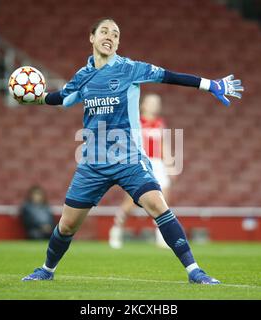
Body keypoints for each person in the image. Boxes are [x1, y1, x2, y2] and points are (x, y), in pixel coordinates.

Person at [21, 17, 243, 284]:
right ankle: (46, 270)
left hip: (129, 158)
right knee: (67, 225)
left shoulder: (131, 68)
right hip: (93, 161)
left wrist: (210, 84)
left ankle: (195, 271)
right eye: (104, 31)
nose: (110, 37)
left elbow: (170, 76)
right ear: (91, 37)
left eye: (115, 34)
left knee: (158, 206)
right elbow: (62, 98)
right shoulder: (83, 76)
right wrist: (36, 96)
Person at [109, 93, 171, 249]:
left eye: (157, 102)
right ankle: (117, 228)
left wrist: (169, 163)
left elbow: (163, 144)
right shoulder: (136, 121)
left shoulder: (159, 123)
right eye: (151, 102)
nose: (154, 105)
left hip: (157, 163)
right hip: (140, 162)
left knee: (164, 200)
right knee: (130, 202)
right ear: (143, 104)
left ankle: (162, 236)